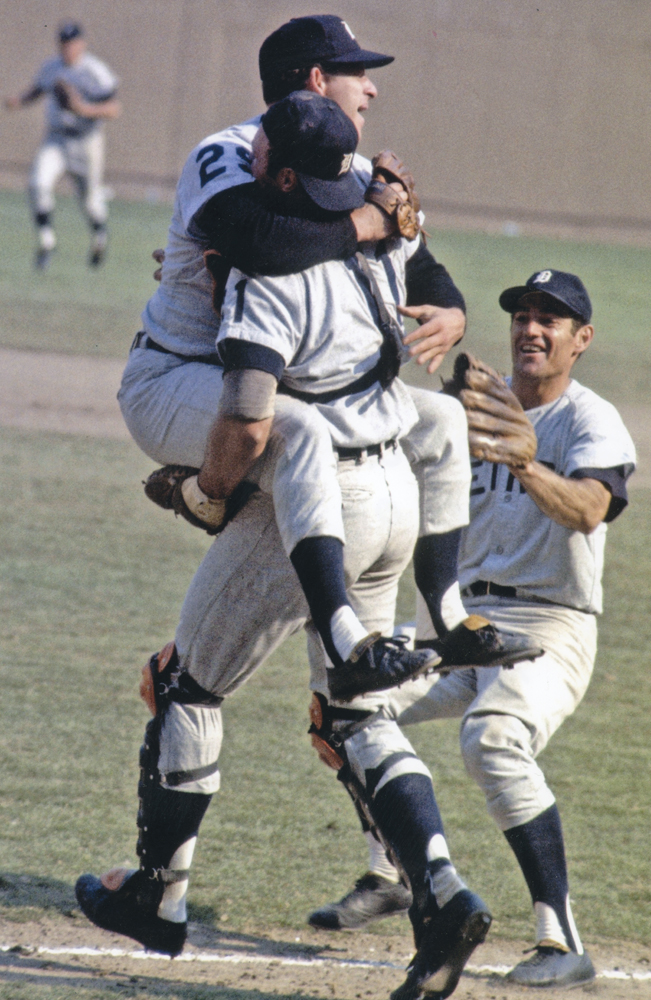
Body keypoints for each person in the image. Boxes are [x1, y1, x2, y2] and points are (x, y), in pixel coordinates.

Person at [76, 95, 495, 1000]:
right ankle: (441, 889)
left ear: (278, 174)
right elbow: (410, 273)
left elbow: (251, 419)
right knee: (354, 716)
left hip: (320, 504)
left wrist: (203, 494)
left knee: (188, 682)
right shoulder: (378, 245)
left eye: (259, 149)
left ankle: (159, 894)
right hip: (395, 489)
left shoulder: (267, 272)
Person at [119, 14, 533, 683]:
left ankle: (447, 616)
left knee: (440, 418)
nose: (369, 90)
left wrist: (451, 309)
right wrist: (367, 218)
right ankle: (207, 499)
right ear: (315, 79)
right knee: (297, 430)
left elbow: (418, 261)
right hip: (181, 375)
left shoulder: (351, 169)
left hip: (274, 379)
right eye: (356, 73)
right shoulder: (230, 152)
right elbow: (261, 247)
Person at [309, 269, 637, 991]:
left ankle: (559, 940)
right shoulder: (466, 413)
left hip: (549, 624)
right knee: (342, 702)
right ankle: (394, 871)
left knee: (490, 737)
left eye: (550, 318)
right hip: (460, 622)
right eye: (522, 313)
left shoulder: (589, 419)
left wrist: (526, 465)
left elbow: (587, 509)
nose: (531, 327)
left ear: (580, 340)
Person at [4, 21, 120, 269]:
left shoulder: (94, 71)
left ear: (81, 44)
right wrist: (19, 101)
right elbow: (38, 89)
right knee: (38, 183)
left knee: (88, 199)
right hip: (56, 138)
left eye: (71, 43)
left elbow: (113, 108)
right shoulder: (52, 67)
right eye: (63, 44)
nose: (67, 48)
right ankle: (47, 241)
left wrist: (84, 109)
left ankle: (99, 236)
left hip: (86, 140)